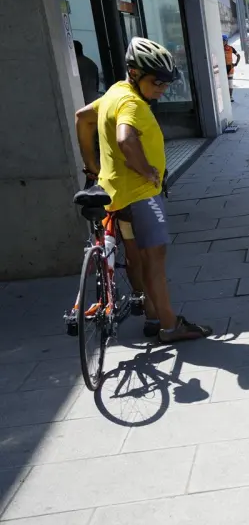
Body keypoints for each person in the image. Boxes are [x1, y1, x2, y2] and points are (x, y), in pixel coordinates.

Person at [73, 37, 213, 343]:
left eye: (167, 83)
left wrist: (91, 166)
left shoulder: (114, 93)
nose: (162, 89)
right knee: (155, 260)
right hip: (141, 196)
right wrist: (147, 170)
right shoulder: (132, 104)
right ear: (134, 73)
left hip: (116, 194)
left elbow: (82, 118)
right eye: (157, 82)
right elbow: (125, 139)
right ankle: (170, 325)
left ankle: (151, 316)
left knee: (136, 258)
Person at [74, 40, 101, 105]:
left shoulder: (74, 65)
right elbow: (97, 84)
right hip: (93, 99)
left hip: (81, 101)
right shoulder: (92, 63)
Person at [223, 34, 240, 102]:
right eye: (222, 41)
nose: (223, 42)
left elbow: (238, 56)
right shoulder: (221, 48)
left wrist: (236, 64)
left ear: (226, 41)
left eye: (224, 41)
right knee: (224, 83)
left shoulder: (231, 48)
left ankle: (230, 96)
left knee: (230, 83)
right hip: (224, 67)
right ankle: (227, 96)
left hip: (230, 68)